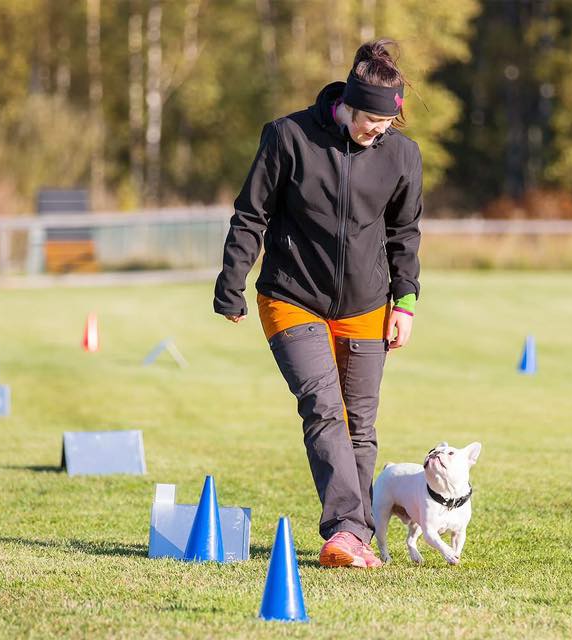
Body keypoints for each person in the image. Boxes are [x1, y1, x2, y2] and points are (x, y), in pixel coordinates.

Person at [214, 38, 422, 569]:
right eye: (369, 122)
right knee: (323, 407)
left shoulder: (401, 155)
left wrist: (406, 300)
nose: (376, 132)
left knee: (361, 423)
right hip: (291, 296)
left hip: (367, 304)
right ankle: (347, 531)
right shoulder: (289, 137)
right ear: (348, 104)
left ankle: (353, 534)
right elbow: (251, 214)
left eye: (386, 125)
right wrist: (231, 282)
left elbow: (404, 232)